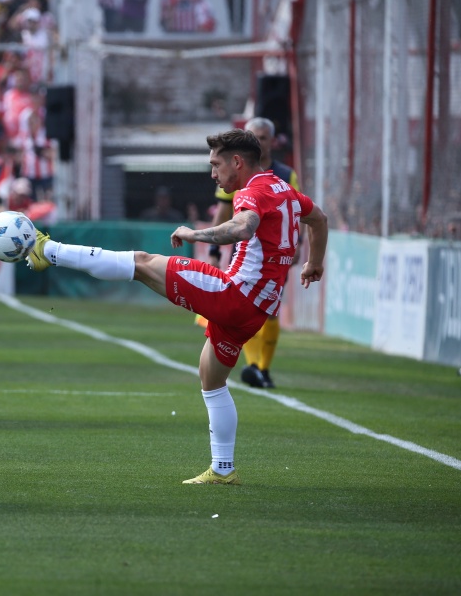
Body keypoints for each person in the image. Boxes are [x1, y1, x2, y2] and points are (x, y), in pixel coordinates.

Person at [26, 128, 328, 485]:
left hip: (234, 295)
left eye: (216, 164)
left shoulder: (254, 191)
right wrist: (314, 263)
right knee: (211, 379)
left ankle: (49, 251)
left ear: (237, 161)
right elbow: (319, 219)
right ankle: (222, 470)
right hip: (257, 308)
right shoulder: (285, 188)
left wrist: (194, 234)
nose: (213, 173)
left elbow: (244, 227)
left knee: (140, 262)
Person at [198, 117, 301, 389]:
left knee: (270, 310)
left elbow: (298, 210)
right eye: (253, 136)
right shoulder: (230, 170)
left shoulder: (285, 174)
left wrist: (298, 246)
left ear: (272, 142)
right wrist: (213, 250)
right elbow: (222, 211)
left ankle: (263, 367)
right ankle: (253, 366)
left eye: (263, 137)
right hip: (244, 251)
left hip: (274, 253)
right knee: (246, 305)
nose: (258, 141)